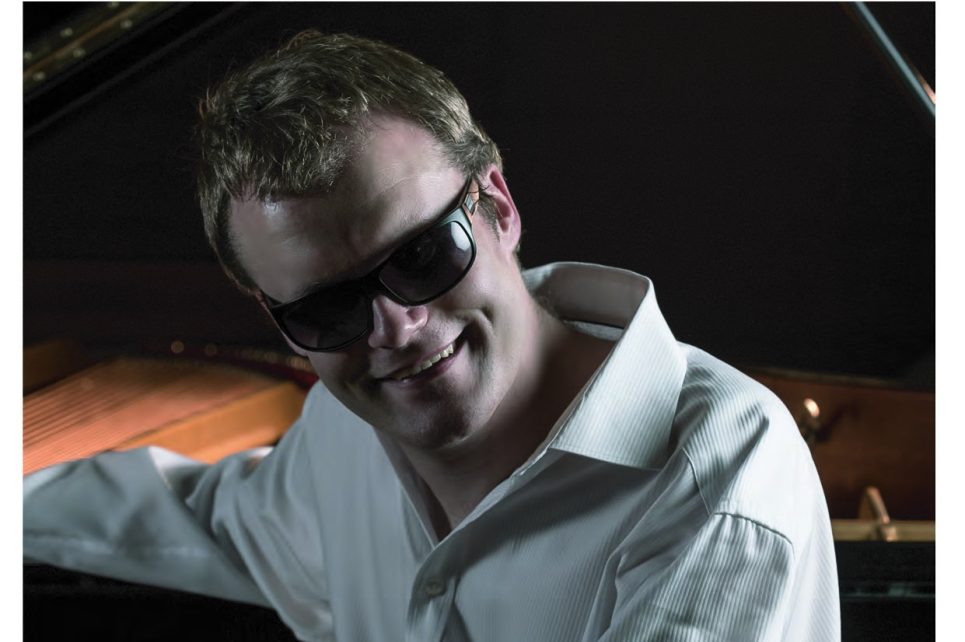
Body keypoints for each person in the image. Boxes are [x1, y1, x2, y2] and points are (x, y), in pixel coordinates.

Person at [24, 31, 840, 641]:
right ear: (275, 314)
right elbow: (216, 525)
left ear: (499, 205)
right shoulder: (341, 432)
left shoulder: (718, 486)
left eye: (419, 256)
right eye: (325, 311)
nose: (395, 328)